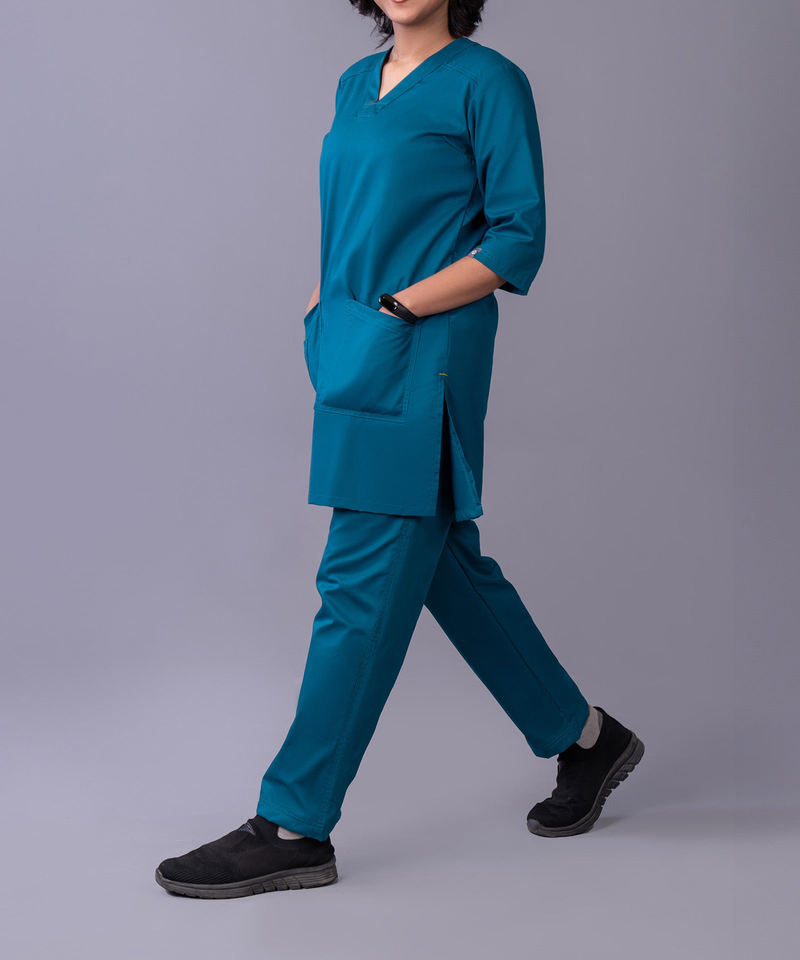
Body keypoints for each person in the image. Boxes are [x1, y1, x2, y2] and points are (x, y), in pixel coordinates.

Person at [155, 0, 643, 900]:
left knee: (358, 583)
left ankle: (295, 823)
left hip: (426, 352)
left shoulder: (487, 82)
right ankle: (588, 738)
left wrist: (402, 306)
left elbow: (518, 233)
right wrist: (324, 305)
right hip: (352, 347)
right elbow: (356, 214)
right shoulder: (355, 84)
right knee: (442, 566)